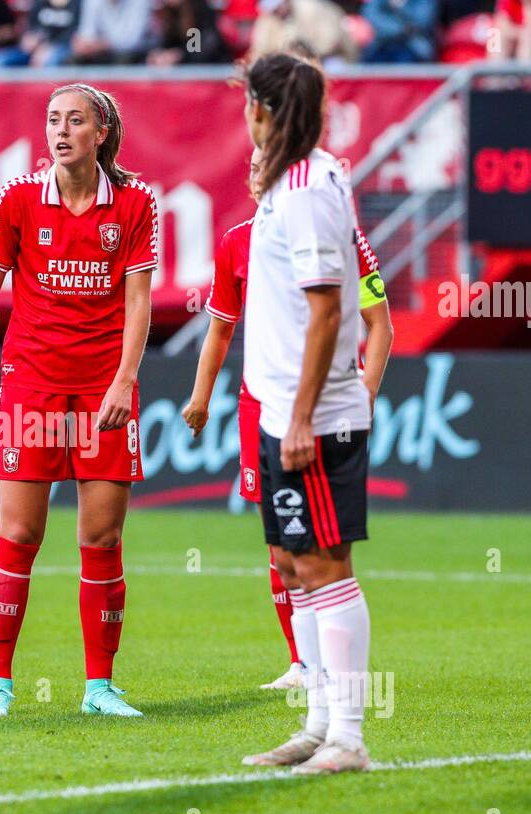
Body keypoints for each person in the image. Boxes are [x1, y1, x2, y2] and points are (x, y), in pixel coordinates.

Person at [0, 83, 159, 718]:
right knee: (19, 530)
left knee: (101, 538)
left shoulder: (135, 204)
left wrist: (125, 381)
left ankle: (99, 688)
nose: (61, 130)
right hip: (31, 384)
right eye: (53, 120)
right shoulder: (17, 199)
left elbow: (138, 301)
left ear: (101, 133)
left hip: (103, 387)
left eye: (76, 120)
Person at [182, 144, 392, 693]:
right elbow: (221, 330)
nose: (255, 175)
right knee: (279, 549)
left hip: (321, 406)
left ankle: (335, 680)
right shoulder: (236, 245)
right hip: (259, 406)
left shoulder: (343, 237)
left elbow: (380, 324)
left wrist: (366, 391)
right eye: (249, 166)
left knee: (323, 548)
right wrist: (201, 397)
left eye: (264, 165)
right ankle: (304, 666)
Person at [235, 54, 377, 774]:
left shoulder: (306, 190)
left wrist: (298, 416)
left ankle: (350, 736)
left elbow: (326, 315)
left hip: (313, 416)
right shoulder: (288, 184)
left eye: (249, 103)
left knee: (325, 566)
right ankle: (320, 724)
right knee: (295, 565)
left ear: (264, 110)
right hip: (282, 408)